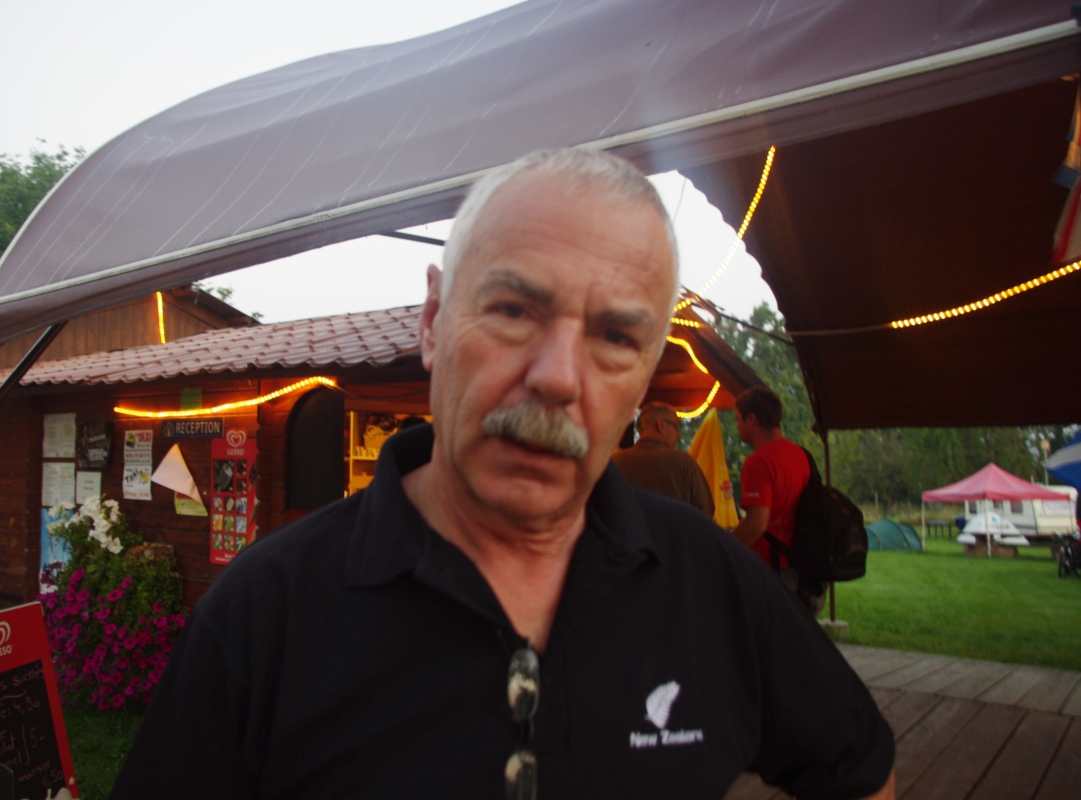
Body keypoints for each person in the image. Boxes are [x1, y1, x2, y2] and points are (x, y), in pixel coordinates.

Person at [111, 148, 894, 799]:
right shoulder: (265, 616)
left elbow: (860, 771)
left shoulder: (712, 586)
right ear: (433, 320)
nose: (557, 377)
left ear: (644, 380)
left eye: (615, 338)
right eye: (515, 311)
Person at [729, 385, 826, 614]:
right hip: (807, 569)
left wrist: (725, 546)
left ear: (752, 419)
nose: (737, 426)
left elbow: (756, 524)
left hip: (776, 572)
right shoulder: (801, 455)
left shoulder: (758, 462)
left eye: (738, 419)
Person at [612, 400, 714, 516]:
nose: (679, 436)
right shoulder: (683, 462)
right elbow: (706, 511)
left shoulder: (615, 462)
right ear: (661, 425)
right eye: (676, 426)